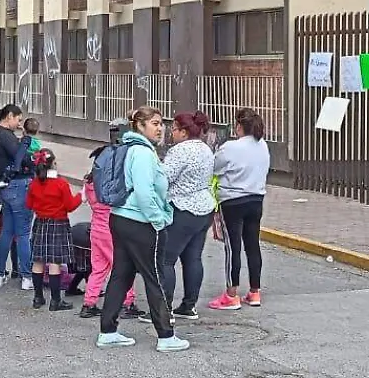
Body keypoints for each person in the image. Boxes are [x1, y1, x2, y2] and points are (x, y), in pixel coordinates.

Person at [97, 107, 189, 353]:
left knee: (121, 274)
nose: (160, 128)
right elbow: (144, 191)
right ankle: (166, 336)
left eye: (161, 124)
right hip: (141, 222)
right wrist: (158, 219)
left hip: (121, 218)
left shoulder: (129, 149)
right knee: (155, 276)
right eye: (154, 123)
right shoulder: (143, 153)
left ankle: (108, 331)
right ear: (139, 126)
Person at [158, 111, 218, 321]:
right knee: (193, 258)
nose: (171, 133)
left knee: (165, 259)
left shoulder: (180, 150)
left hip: (183, 208)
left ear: (183, 132)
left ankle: (163, 309)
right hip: (204, 208)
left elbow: (164, 178)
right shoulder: (205, 148)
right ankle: (188, 306)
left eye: (173, 129)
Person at [209, 108, 271, 310]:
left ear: (239, 126)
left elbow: (215, 168)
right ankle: (255, 292)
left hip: (233, 201)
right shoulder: (262, 145)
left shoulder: (230, 148)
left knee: (232, 247)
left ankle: (231, 294)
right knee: (253, 245)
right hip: (256, 199)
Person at [79, 146, 141, 320]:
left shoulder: (90, 182)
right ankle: (128, 302)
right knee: (123, 267)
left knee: (98, 268)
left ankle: (89, 303)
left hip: (96, 229)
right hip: (110, 230)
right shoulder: (109, 183)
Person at [25, 149, 82, 312]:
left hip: (40, 223)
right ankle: (55, 301)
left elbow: (29, 205)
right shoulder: (61, 183)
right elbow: (70, 206)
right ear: (53, 164)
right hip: (57, 223)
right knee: (54, 262)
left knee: (38, 261)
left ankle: (38, 297)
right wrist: (80, 196)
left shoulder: (34, 183)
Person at [0, 104, 33, 289]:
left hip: (5, 185)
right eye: (18, 119)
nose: (19, 124)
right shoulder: (6, 136)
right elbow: (19, 158)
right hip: (18, 184)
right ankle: (27, 277)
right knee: (22, 234)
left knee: (6, 231)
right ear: (10, 116)